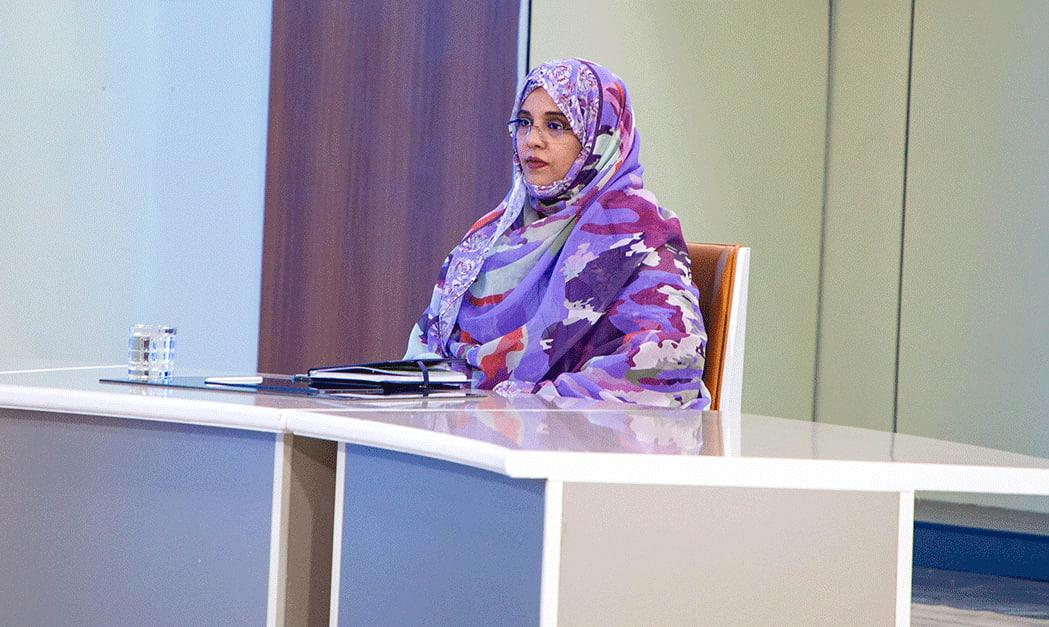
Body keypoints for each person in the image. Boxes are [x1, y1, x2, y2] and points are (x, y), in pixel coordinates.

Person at [405, 58, 710, 409]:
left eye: (555, 125)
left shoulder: (637, 237)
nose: (532, 140)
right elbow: (429, 351)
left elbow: (667, 368)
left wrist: (516, 408)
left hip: (571, 436)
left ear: (598, 138)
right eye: (524, 123)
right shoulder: (491, 236)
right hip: (459, 427)